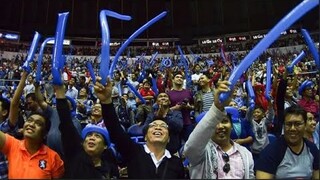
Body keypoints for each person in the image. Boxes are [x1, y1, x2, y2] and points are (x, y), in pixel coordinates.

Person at [93, 77, 185, 179]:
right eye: (153, 125)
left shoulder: (176, 163)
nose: (158, 127)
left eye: (163, 126)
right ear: (145, 137)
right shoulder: (134, 152)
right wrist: (106, 102)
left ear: (168, 138)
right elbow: (115, 131)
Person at [183, 80, 255, 179]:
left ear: (232, 126)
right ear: (210, 126)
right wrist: (217, 107)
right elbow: (190, 148)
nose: (220, 126)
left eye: (225, 121)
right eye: (215, 123)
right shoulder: (201, 152)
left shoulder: (245, 154)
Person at [55, 83, 119, 179]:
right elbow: (66, 123)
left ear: (105, 146)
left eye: (97, 136)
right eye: (89, 135)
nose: (92, 138)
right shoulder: (75, 155)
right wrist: (60, 93)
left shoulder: (110, 168)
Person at [256, 105, 319, 179]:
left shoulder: (312, 149)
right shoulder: (270, 152)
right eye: (288, 124)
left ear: (305, 125)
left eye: (298, 124)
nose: (292, 128)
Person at [0, 109, 64, 178]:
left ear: (45, 134)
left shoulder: (53, 157)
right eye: (29, 120)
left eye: (38, 123)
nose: (31, 124)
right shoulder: (12, 145)